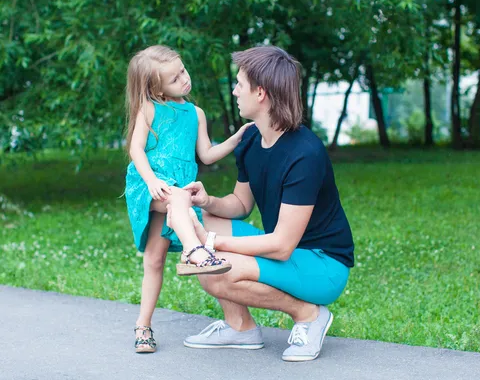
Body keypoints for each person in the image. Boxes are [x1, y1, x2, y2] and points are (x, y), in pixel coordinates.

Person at [165, 45, 354, 362]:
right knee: (202, 220)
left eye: (240, 83)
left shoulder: (304, 153)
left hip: (323, 265)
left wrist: (210, 244)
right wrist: (207, 200)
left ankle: (309, 314)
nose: (235, 90)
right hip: (287, 252)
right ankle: (240, 328)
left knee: (213, 269)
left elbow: (280, 246)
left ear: (261, 93)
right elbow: (240, 204)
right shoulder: (251, 138)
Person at [124, 45, 252, 353]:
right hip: (148, 185)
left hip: (176, 191)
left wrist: (235, 139)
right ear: (156, 88)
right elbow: (136, 149)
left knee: (154, 260)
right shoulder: (149, 108)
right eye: (173, 78)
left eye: (183, 70)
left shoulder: (196, 114)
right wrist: (152, 181)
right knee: (179, 200)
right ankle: (196, 251)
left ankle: (143, 325)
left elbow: (206, 154)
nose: (184, 79)